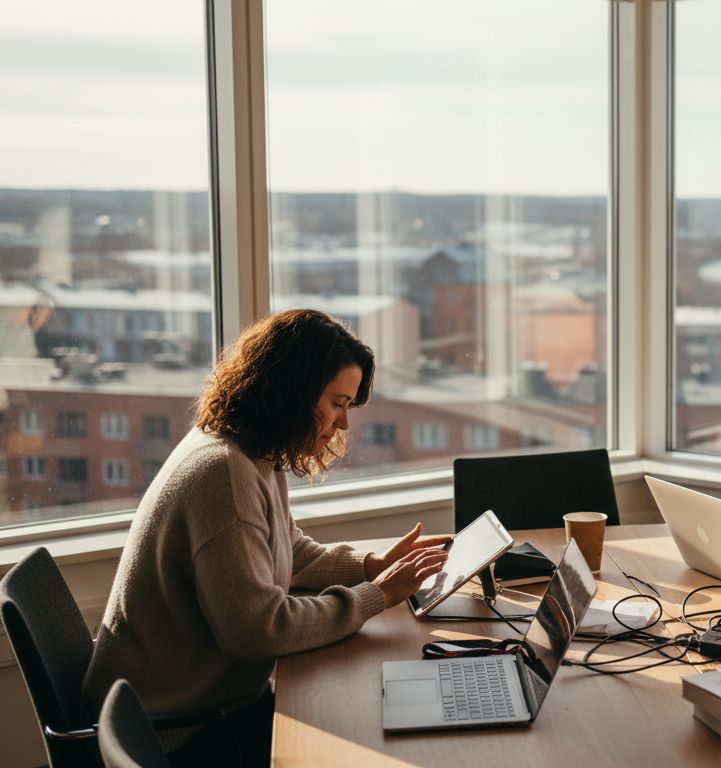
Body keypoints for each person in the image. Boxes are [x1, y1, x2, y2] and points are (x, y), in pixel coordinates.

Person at [82, 309, 450, 765]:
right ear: (294, 392)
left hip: (203, 707)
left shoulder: (248, 448)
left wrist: (371, 566)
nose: (343, 425)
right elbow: (259, 630)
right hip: (178, 734)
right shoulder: (224, 475)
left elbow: (286, 550)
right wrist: (374, 596)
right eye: (337, 403)